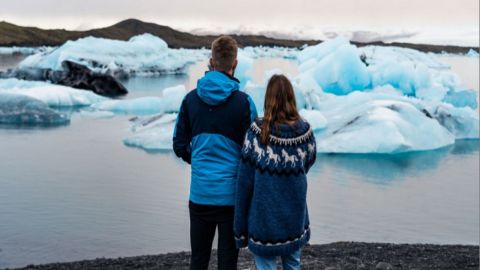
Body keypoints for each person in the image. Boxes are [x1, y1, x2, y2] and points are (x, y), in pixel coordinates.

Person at [173, 35, 257, 270]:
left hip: (199, 195)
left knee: (198, 260)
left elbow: (179, 145)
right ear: (235, 64)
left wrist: (199, 162)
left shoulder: (190, 100)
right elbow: (253, 152)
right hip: (231, 198)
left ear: (211, 62)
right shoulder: (245, 103)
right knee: (228, 262)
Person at [234, 74, 316, 270]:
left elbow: (244, 182)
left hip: (263, 221)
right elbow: (308, 163)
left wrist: (240, 229)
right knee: (293, 265)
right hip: (294, 218)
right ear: (291, 97)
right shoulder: (305, 133)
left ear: (267, 99)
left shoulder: (256, 133)